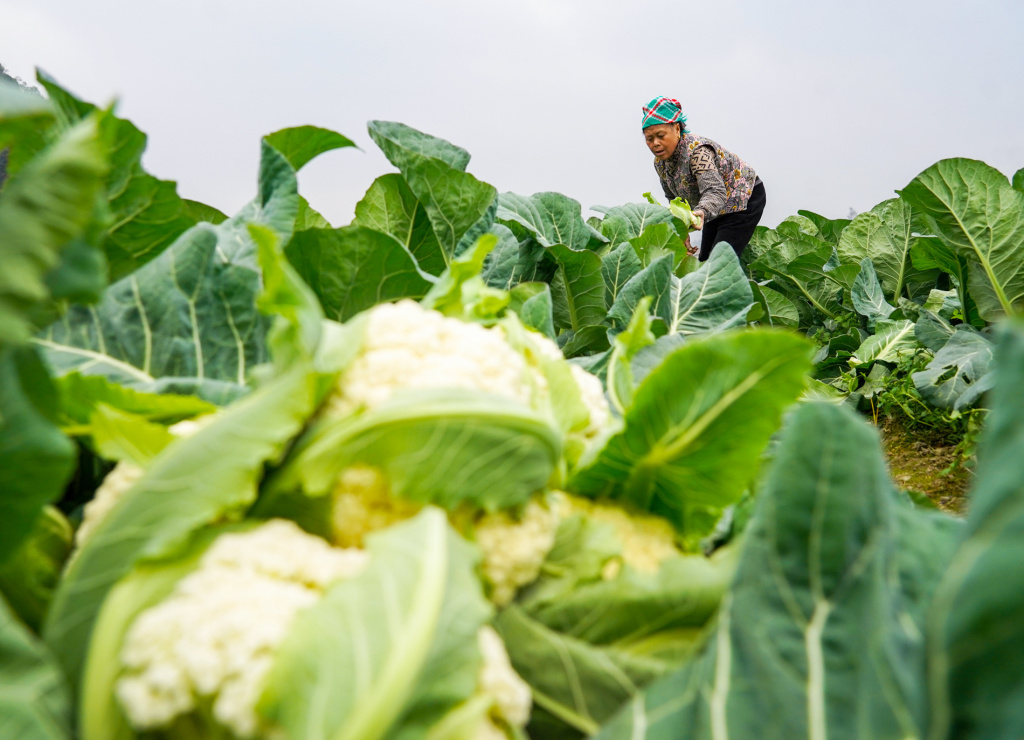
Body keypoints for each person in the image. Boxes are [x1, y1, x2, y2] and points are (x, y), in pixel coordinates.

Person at [642, 96, 766, 262]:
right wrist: (682, 229)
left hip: (743, 199)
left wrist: (702, 211)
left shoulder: (697, 153)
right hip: (712, 207)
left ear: (677, 129)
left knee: (718, 264)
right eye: (649, 139)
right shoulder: (660, 163)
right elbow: (674, 199)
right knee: (705, 261)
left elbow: (715, 190)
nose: (655, 143)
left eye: (661, 135)